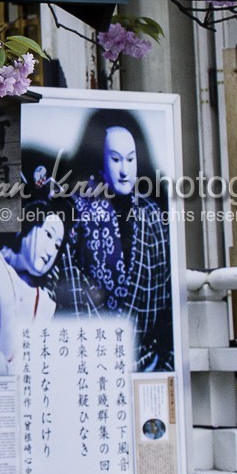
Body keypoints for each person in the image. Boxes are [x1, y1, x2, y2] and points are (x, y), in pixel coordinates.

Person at [50, 109, 174, 372]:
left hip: (150, 359)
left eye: (130, 159)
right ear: (100, 161)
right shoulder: (75, 209)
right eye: (115, 159)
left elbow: (166, 293)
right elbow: (70, 286)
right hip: (91, 355)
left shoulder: (152, 215)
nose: (124, 170)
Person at [0, 197, 69, 377]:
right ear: (28, 224)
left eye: (57, 245)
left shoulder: (43, 303)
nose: (51, 251)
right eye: (48, 235)